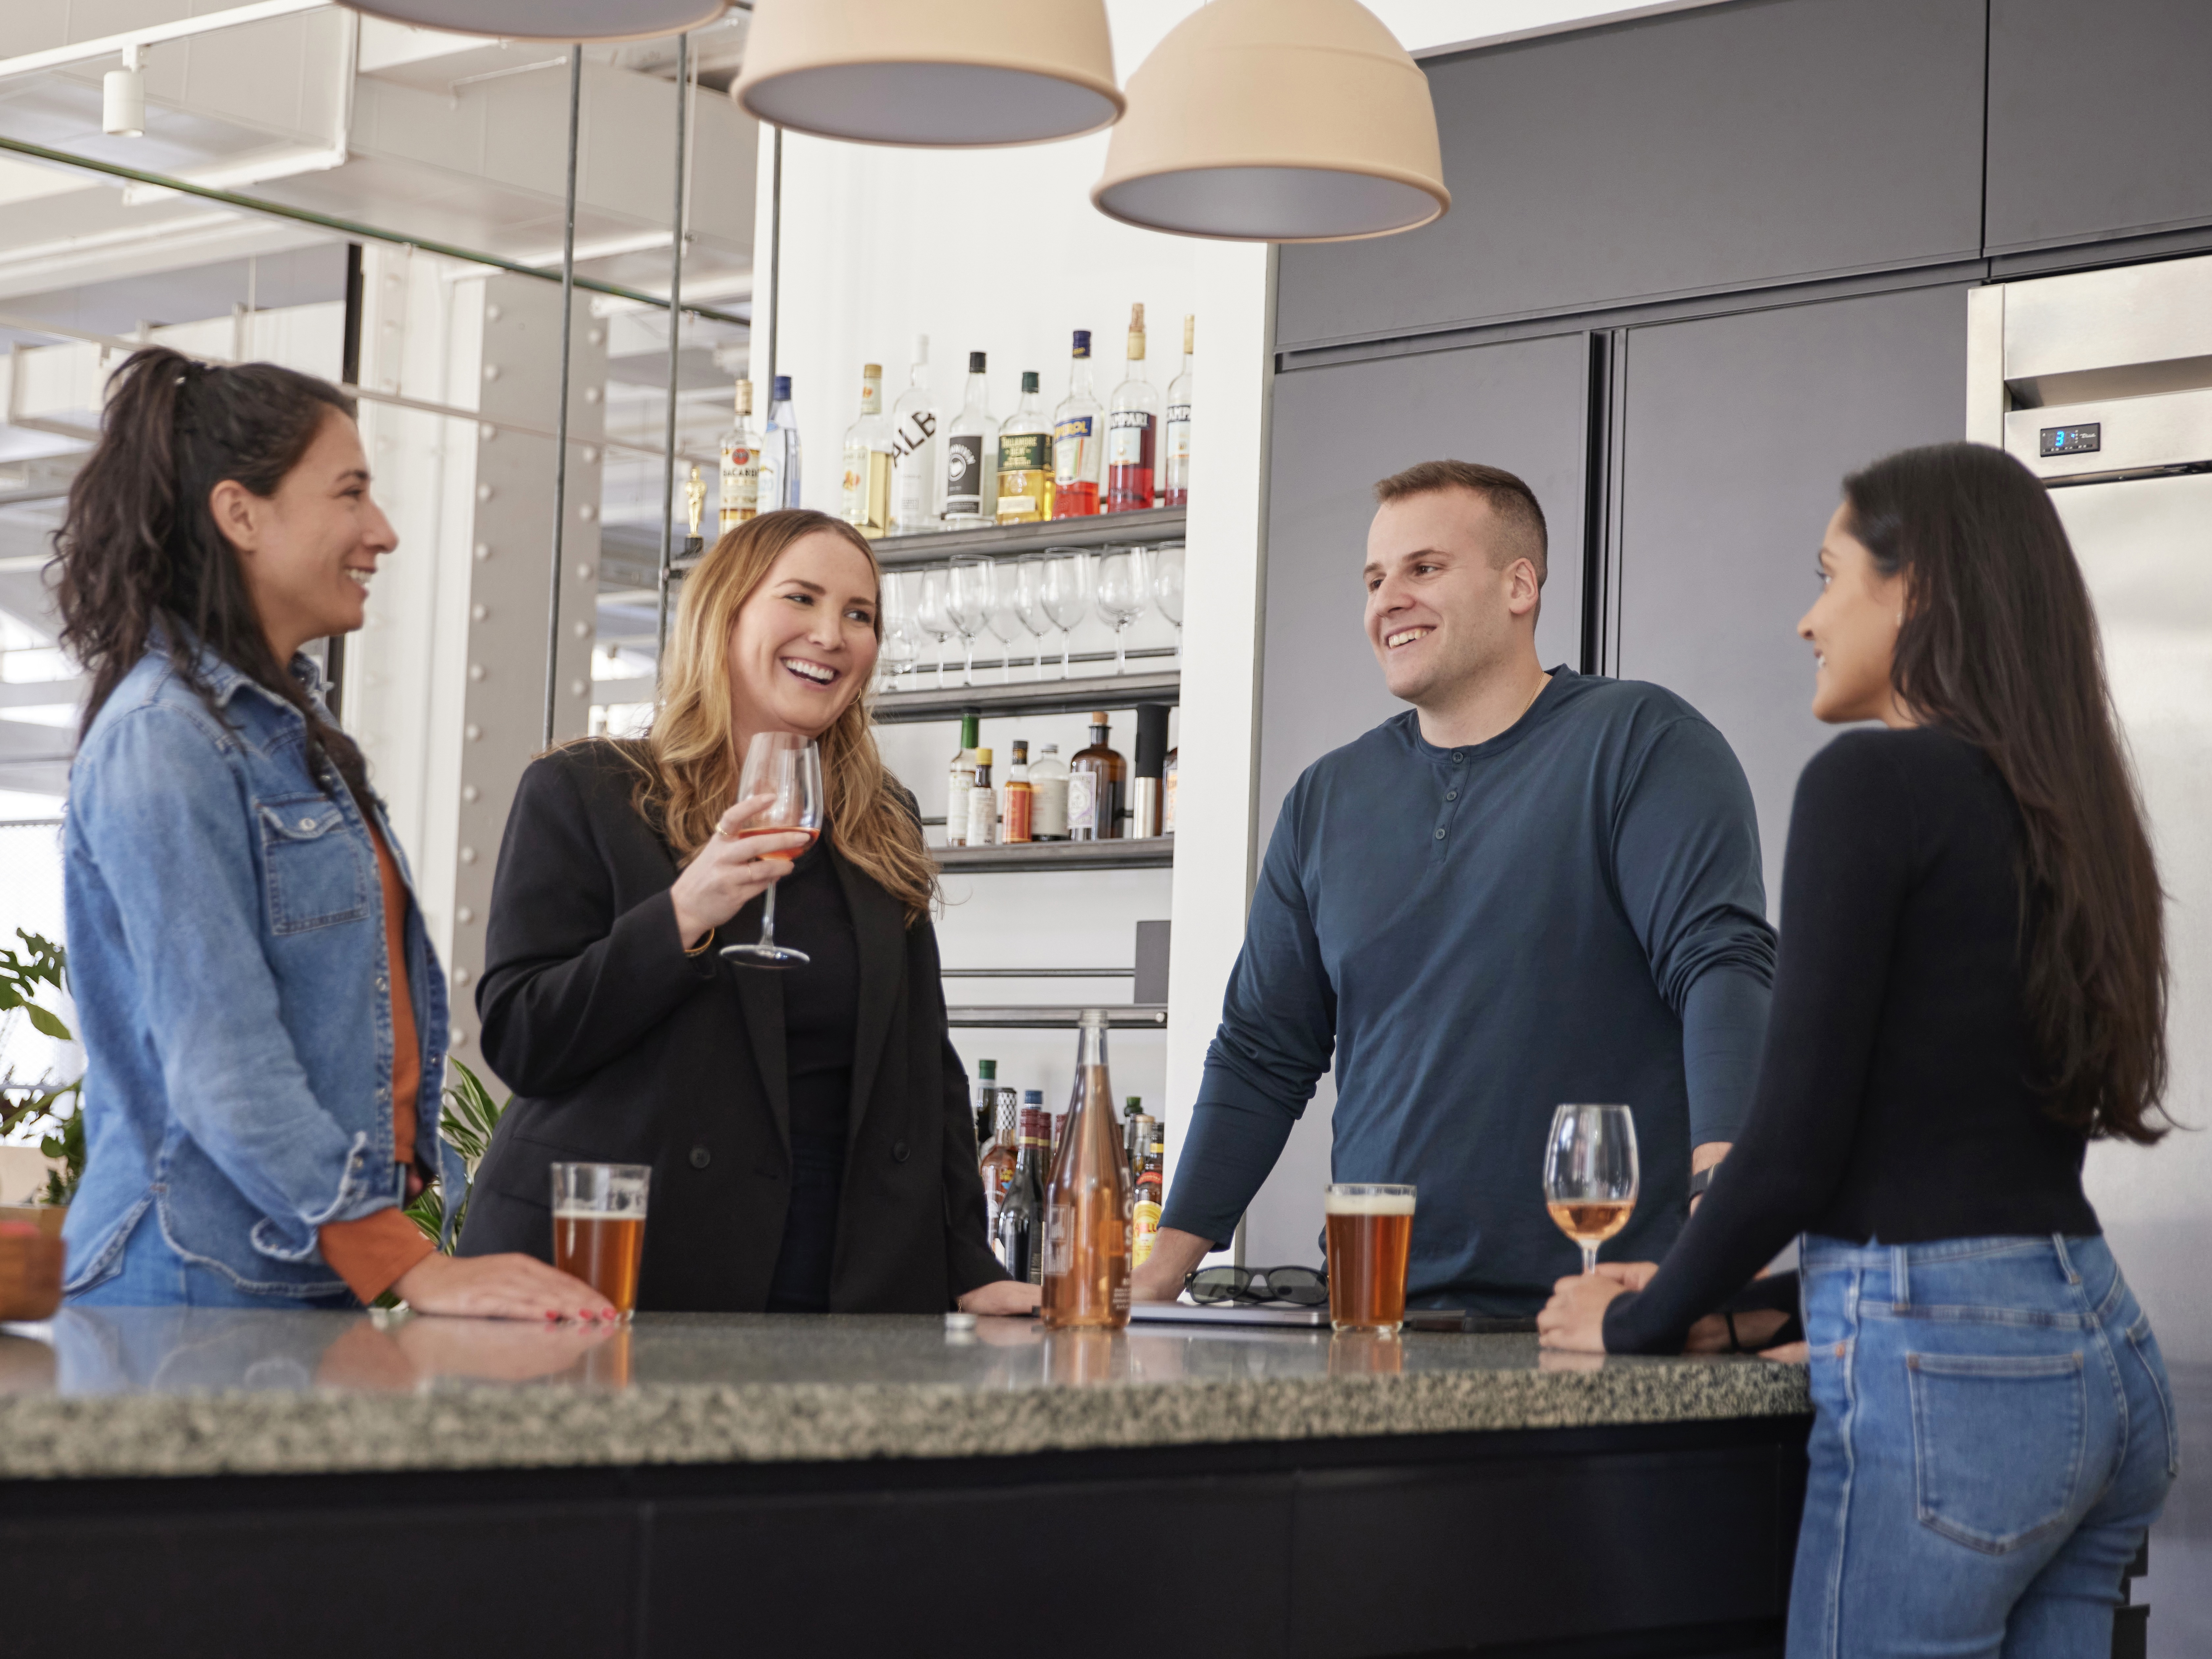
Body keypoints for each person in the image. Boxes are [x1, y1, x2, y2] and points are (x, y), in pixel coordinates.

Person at [1539, 442, 2178, 1655]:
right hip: (2095, 1347)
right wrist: (1725, 1310)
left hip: (1951, 1378)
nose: (1806, 618)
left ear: (1917, 589)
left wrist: (1639, 1323)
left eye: (1830, 574)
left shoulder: (1871, 782)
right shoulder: (2063, 800)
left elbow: (1794, 1148)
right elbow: (1951, 1153)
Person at [1132, 460, 1777, 1312]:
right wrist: (1154, 1281)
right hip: (1374, 1315)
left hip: (1599, 1317)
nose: (1387, 599)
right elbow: (1261, 1053)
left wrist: (1726, 1218)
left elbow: (1722, 967)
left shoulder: (1641, 745)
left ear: (1520, 587)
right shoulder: (1327, 799)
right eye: (1374, 578)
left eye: (1423, 568)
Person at [53, 347, 613, 1320]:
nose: (382, 532)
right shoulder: (164, 742)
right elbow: (225, 1063)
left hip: (292, 1268)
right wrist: (416, 1266)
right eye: (350, 494)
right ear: (241, 513)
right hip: (192, 1279)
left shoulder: (284, 733)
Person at [457, 510, 1033, 1316]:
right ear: (725, 615)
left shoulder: (880, 818)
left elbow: (923, 1068)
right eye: (801, 598)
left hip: (848, 1268)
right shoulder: (587, 792)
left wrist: (969, 1263)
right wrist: (683, 914)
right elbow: (524, 1038)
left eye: (860, 615)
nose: (832, 634)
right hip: (627, 1267)